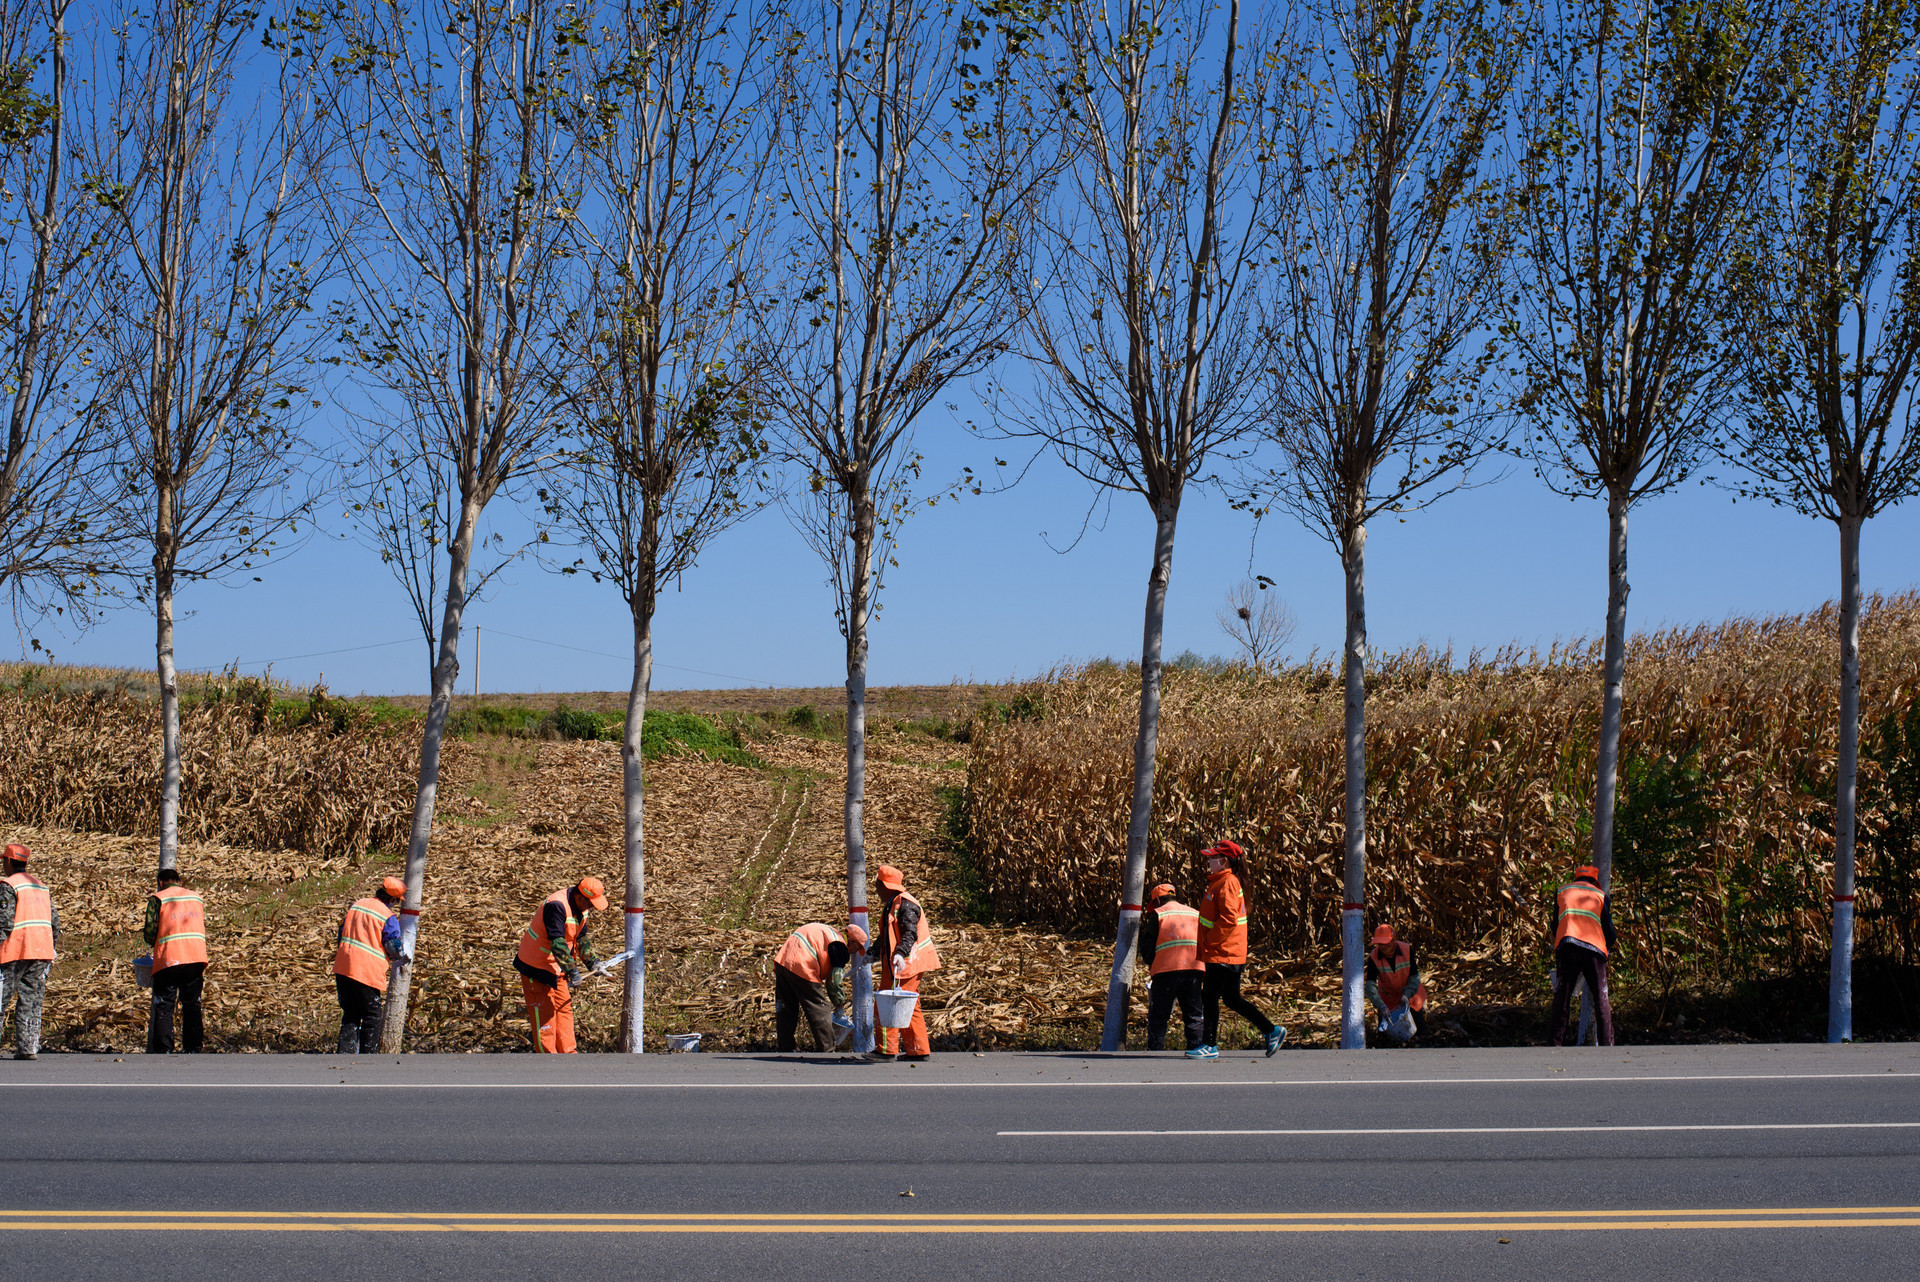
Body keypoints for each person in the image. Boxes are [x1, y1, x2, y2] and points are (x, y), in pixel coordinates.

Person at [1191, 840, 1285, 1060]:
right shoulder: (1224, 881)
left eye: (1213, 857)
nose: (1209, 860)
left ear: (1224, 861)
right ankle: (1271, 1031)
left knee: (1210, 996)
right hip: (1227, 951)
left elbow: (1229, 918)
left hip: (1223, 952)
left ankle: (1209, 1045)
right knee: (1231, 998)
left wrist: (1211, 942)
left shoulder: (1227, 883)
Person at [513, 876, 608, 1054]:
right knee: (545, 1016)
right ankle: (548, 1060)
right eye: (590, 904)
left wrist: (592, 962)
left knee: (564, 1009)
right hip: (536, 967)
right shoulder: (556, 906)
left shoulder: (582, 909)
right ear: (580, 897)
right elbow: (557, 944)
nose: (591, 909)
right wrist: (573, 971)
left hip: (557, 967)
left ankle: (568, 1056)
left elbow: (579, 938)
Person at [866, 864, 939, 1063]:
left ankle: (886, 1050)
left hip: (906, 963)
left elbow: (909, 934)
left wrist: (900, 953)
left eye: (877, 885)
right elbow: (887, 935)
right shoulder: (896, 903)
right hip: (908, 962)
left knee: (886, 1005)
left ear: (885, 885)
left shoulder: (905, 905)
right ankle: (918, 1049)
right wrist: (873, 953)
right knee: (910, 1005)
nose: (875, 889)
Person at [333, 876, 406, 1054]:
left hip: (343, 966)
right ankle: (368, 1057)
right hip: (366, 971)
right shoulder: (388, 916)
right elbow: (391, 945)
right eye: (396, 901)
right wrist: (402, 955)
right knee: (372, 1014)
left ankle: (345, 1054)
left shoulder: (357, 905)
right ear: (392, 899)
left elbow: (341, 934)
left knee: (351, 1013)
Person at [0, 843, 58, 1060]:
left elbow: (4, 923)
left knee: (1, 1000)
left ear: (8, 861)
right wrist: (52, 947)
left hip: (14, 951)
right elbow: (55, 922)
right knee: (31, 1001)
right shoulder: (40, 886)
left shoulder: (8, 885)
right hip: (41, 950)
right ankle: (28, 1048)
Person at [1548, 864, 1617, 1046]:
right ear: (1595, 880)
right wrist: (1606, 949)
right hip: (1594, 949)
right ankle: (1606, 1045)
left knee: (1562, 996)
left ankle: (1555, 1043)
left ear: (1576, 878)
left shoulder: (1562, 891)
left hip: (1567, 945)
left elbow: (1555, 925)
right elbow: (1609, 931)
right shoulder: (1600, 895)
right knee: (1601, 998)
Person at [774, 921, 864, 1052]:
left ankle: (786, 1046)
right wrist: (839, 1005)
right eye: (856, 949)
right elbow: (834, 982)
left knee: (786, 1007)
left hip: (783, 961)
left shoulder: (830, 934)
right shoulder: (840, 947)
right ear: (853, 942)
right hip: (803, 963)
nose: (853, 953)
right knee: (819, 1008)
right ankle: (827, 1048)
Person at [146, 868, 209, 1054]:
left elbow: (150, 932)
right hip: (196, 957)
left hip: (170, 959)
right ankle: (194, 1047)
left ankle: (164, 1049)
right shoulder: (196, 897)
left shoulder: (158, 898)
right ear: (179, 881)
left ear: (160, 882)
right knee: (192, 1004)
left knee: (164, 1005)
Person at [1139, 882, 1204, 1052]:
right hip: (1194, 970)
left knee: (1159, 1015)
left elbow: (1147, 947)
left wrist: (1151, 962)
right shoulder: (1195, 913)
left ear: (1158, 901)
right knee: (1194, 1014)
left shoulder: (1159, 914)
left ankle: (1155, 1051)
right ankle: (1196, 1049)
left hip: (1165, 971)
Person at [1365, 923, 1427, 1044]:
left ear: (1393, 941)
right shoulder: (1374, 957)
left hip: (1411, 994)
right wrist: (1380, 1005)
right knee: (1387, 1036)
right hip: (1389, 998)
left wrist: (1407, 994)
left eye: (1385, 944)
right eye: (1380, 944)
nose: (1382, 947)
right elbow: (1370, 984)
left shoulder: (1407, 950)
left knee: (1419, 1029)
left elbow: (1414, 976)